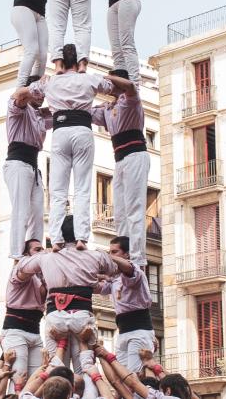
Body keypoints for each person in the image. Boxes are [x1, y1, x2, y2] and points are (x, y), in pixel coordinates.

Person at [17, 45, 136, 249]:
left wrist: (39, 88)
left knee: (58, 190)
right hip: (82, 130)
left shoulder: (51, 82)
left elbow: (19, 94)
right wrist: (93, 75)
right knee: (82, 188)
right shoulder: (88, 79)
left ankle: (55, 240)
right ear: (80, 61)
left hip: (60, 131)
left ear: (60, 61)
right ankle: (81, 238)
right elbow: (122, 88)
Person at [17, 215, 134, 373]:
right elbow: (121, 269)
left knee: (56, 374)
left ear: (60, 235)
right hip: (81, 318)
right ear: (82, 232)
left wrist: (44, 253)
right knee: (85, 372)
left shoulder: (46, 257)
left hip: (56, 318)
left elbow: (22, 268)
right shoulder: (95, 256)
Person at [90, 69, 148, 267]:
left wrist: (106, 78)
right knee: (121, 211)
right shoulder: (108, 108)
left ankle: (137, 257)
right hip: (121, 159)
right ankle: (124, 251)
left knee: (134, 207)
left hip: (135, 155)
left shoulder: (131, 100)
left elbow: (131, 87)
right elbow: (87, 113)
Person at [5, 78, 52, 260]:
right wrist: (36, 87)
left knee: (38, 213)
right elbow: (18, 96)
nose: (41, 97)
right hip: (17, 162)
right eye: (38, 93)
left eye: (43, 95)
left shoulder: (41, 116)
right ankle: (16, 253)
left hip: (33, 165)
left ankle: (34, 249)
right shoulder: (18, 109)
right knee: (21, 210)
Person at [95, 236, 156, 373]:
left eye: (114, 252)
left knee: (133, 376)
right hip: (122, 332)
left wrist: (106, 256)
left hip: (139, 331)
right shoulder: (114, 279)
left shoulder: (136, 272)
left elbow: (128, 268)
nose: (111, 255)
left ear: (126, 254)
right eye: (109, 252)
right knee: (122, 377)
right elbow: (96, 288)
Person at [2, 239, 47, 392]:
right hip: (16, 330)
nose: (42, 252)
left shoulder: (40, 278)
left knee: (35, 380)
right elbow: (24, 272)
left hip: (35, 332)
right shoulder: (19, 269)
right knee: (18, 377)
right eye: (37, 249)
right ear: (26, 254)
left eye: (43, 249)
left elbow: (43, 297)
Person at [89, 0, 141, 85]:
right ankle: (121, 83)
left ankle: (135, 84)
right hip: (113, 2)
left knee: (126, 44)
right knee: (116, 48)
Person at [13, 0, 50, 87]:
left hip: (39, 13)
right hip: (24, 9)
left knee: (43, 55)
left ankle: (35, 89)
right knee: (32, 49)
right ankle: (20, 88)